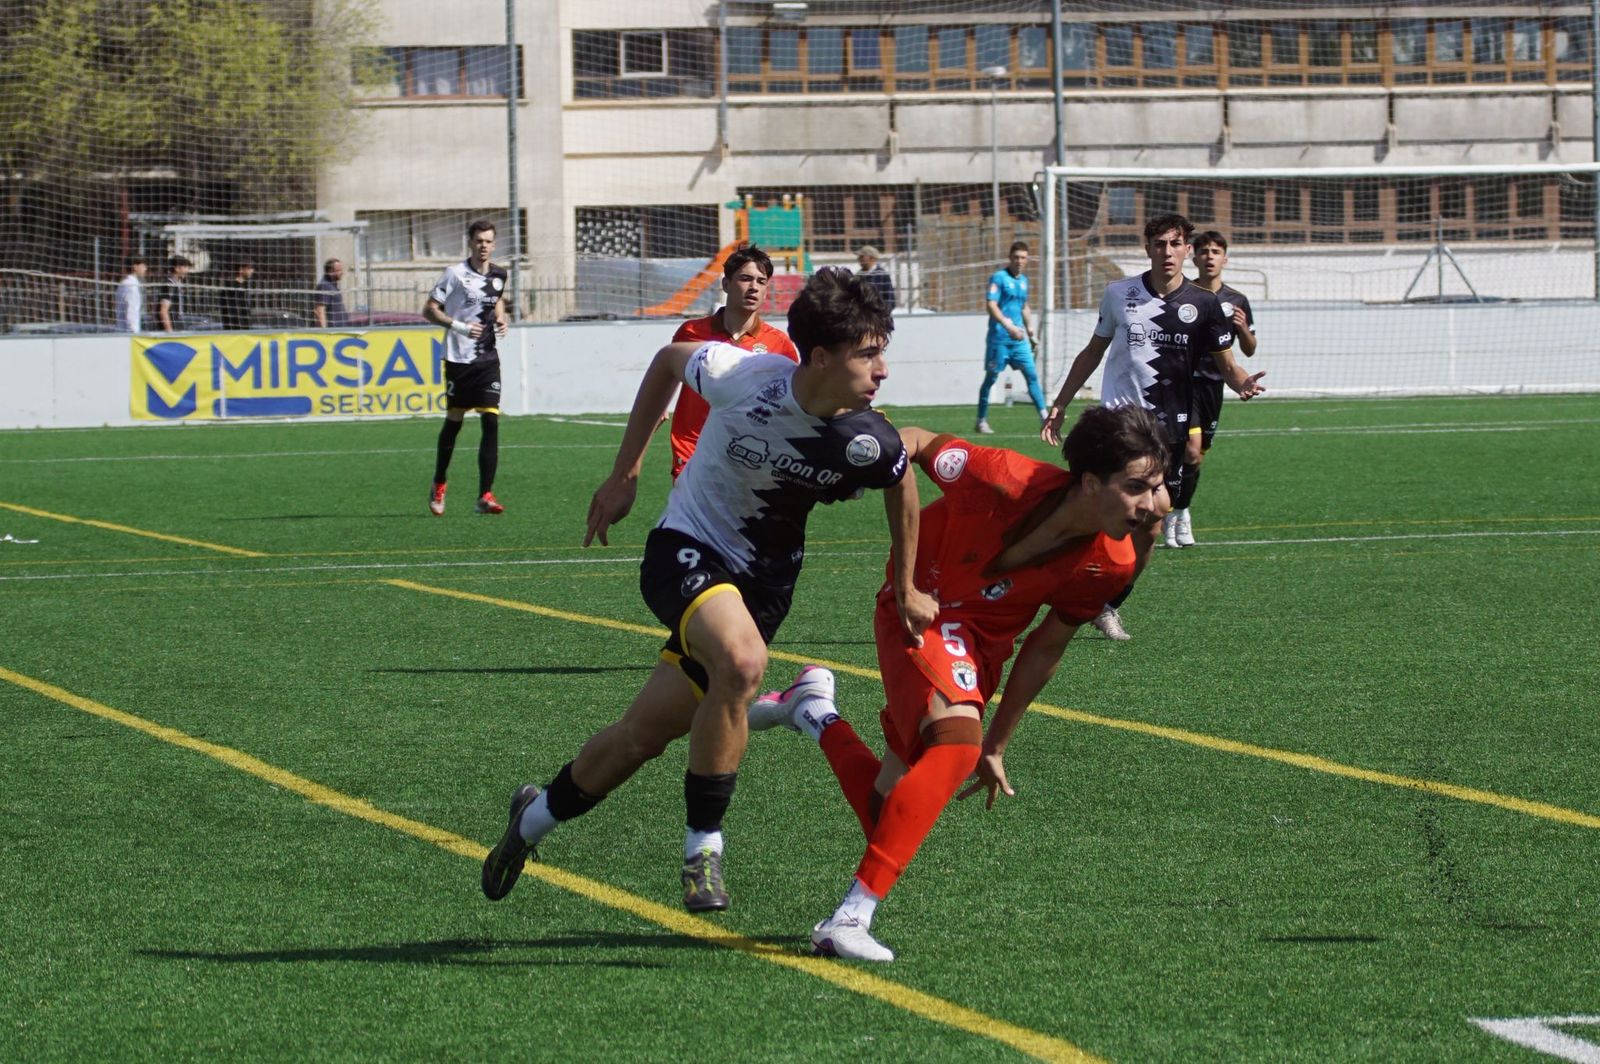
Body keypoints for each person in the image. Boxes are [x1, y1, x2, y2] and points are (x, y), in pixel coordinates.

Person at [480, 268, 937, 914]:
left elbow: (902, 482)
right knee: (744, 663)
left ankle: (528, 822)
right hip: (686, 548)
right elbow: (668, 361)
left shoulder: (866, 439)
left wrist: (907, 585)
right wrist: (626, 473)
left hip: (761, 590)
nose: (882, 369)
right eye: (868, 354)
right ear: (821, 356)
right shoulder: (742, 374)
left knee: (640, 738)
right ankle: (703, 850)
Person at [749, 405, 1172, 962]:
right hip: (920, 608)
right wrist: (851, 468)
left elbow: (1046, 646)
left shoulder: (1110, 563)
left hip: (982, 646)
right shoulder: (1001, 475)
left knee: (887, 816)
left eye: (1158, 487)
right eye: (1137, 487)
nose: (1153, 504)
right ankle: (848, 919)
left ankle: (813, 711)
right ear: (1090, 483)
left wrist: (998, 743)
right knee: (954, 747)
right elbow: (914, 441)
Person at [1040, 213, 1264, 641]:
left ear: (1186, 250)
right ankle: (1049, 583)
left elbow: (1228, 366)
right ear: (1147, 248)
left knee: (1152, 525)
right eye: (1159, 244)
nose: (1167, 252)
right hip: (1120, 423)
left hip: (1169, 429)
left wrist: (1243, 384)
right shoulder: (1118, 293)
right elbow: (1092, 352)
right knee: (1097, 514)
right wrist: (1061, 402)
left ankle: (1108, 604)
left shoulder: (1205, 304)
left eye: (1175, 244)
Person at [665, 245, 799, 480]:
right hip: (692, 448)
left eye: (761, 281)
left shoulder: (779, 344)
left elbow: (792, 401)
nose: (754, 287)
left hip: (745, 453)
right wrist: (661, 405)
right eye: (745, 279)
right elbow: (669, 373)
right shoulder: (691, 332)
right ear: (726, 284)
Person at [1170, 230, 1258, 548]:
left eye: (1216, 252)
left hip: (1213, 386)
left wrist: (1242, 328)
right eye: (1204, 251)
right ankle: (1173, 514)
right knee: (1190, 449)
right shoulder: (1182, 294)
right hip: (1181, 384)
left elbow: (1249, 349)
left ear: (1225, 259)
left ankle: (1180, 510)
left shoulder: (1237, 300)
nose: (1209, 257)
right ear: (1194, 257)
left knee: (1195, 457)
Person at [423, 220, 509, 516]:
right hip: (459, 359)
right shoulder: (455, 274)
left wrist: (502, 317)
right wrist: (459, 326)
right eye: (479, 240)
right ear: (470, 243)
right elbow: (429, 310)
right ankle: (439, 481)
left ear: (494, 244)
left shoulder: (499, 275)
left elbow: (496, 300)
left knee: (491, 421)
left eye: (488, 241)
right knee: (454, 422)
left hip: (487, 360)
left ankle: (485, 495)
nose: (483, 245)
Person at [977, 241, 1048, 434]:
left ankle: (1044, 417)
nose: (1019, 261)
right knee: (991, 378)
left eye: (1023, 258)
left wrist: (1030, 330)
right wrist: (1008, 326)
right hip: (999, 339)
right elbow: (991, 304)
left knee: (1032, 376)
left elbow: (1024, 306)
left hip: (1018, 341)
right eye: (1016, 257)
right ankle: (981, 420)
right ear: (1010, 258)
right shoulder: (998, 278)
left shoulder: (1024, 281)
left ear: (1027, 260)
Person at [856, 245, 896, 313]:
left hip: (878, 315)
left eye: (862, 256)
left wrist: (882, 314)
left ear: (872, 258)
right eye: (859, 257)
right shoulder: (858, 276)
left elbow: (890, 300)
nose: (859, 259)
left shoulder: (882, 275)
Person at [157, 256, 192, 333]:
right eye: (185, 267)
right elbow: (163, 311)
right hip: (171, 326)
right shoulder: (169, 285)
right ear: (177, 268)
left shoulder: (176, 284)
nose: (187, 270)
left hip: (176, 322)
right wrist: (169, 331)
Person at [219, 261, 255, 331]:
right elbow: (231, 312)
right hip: (235, 331)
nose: (252, 271)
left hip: (244, 330)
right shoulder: (230, 289)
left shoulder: (244, 287)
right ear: (241, 270)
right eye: (249, 268)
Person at [312, 258, 348, 328]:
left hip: (340, 329)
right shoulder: (324, 286)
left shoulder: (333, 285)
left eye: (341, 270)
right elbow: (319, 311)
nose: (342, 273)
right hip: (332, 331)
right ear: (330, 272)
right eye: (338, 270)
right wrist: (324, 331)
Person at [114, 257, 146, 332]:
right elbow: (131, 311)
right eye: (143, 266)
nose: (145, 269)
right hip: (128, 332)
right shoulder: (131, 286)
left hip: (121, 329)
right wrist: (133, 331)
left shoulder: (124, 283)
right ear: (135, 267)